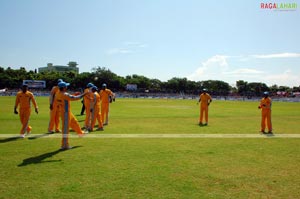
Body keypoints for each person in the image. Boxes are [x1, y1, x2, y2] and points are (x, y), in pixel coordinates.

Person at [56, 81, 87, 150]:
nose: (67, 87)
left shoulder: (58, 93)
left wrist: (74, 94)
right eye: (66, 86)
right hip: (65, 113)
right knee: (65, 129)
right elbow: (74, 98)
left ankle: (80, 133)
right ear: (64, 88)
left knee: (74, 122)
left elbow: (68, 97)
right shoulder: (65, 94)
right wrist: (84, 94)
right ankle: (64, 145)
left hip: (65, 112)